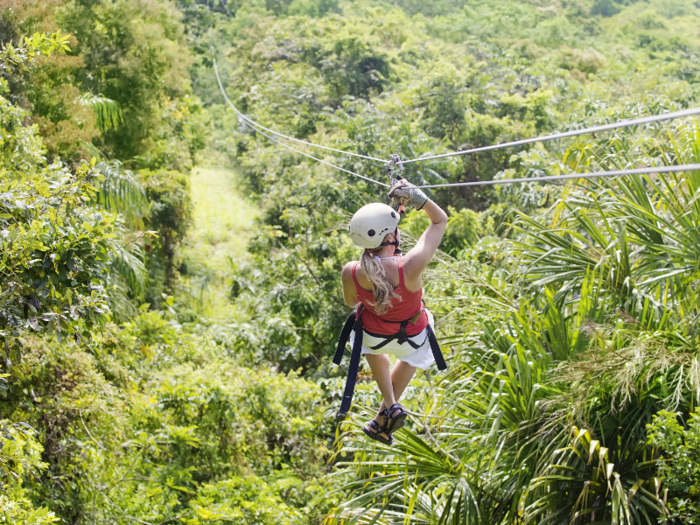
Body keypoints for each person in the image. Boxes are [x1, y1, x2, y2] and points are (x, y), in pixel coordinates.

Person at [340, 179, 448, 444]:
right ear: (391, 237)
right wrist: (418, 199)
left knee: (360, 327)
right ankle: (385, 412)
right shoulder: (409, 266)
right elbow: (440, 221)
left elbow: (351, 303)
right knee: (424, 326)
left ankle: (387, 408)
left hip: (375, 339)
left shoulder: (351, 271)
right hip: (413, 340)